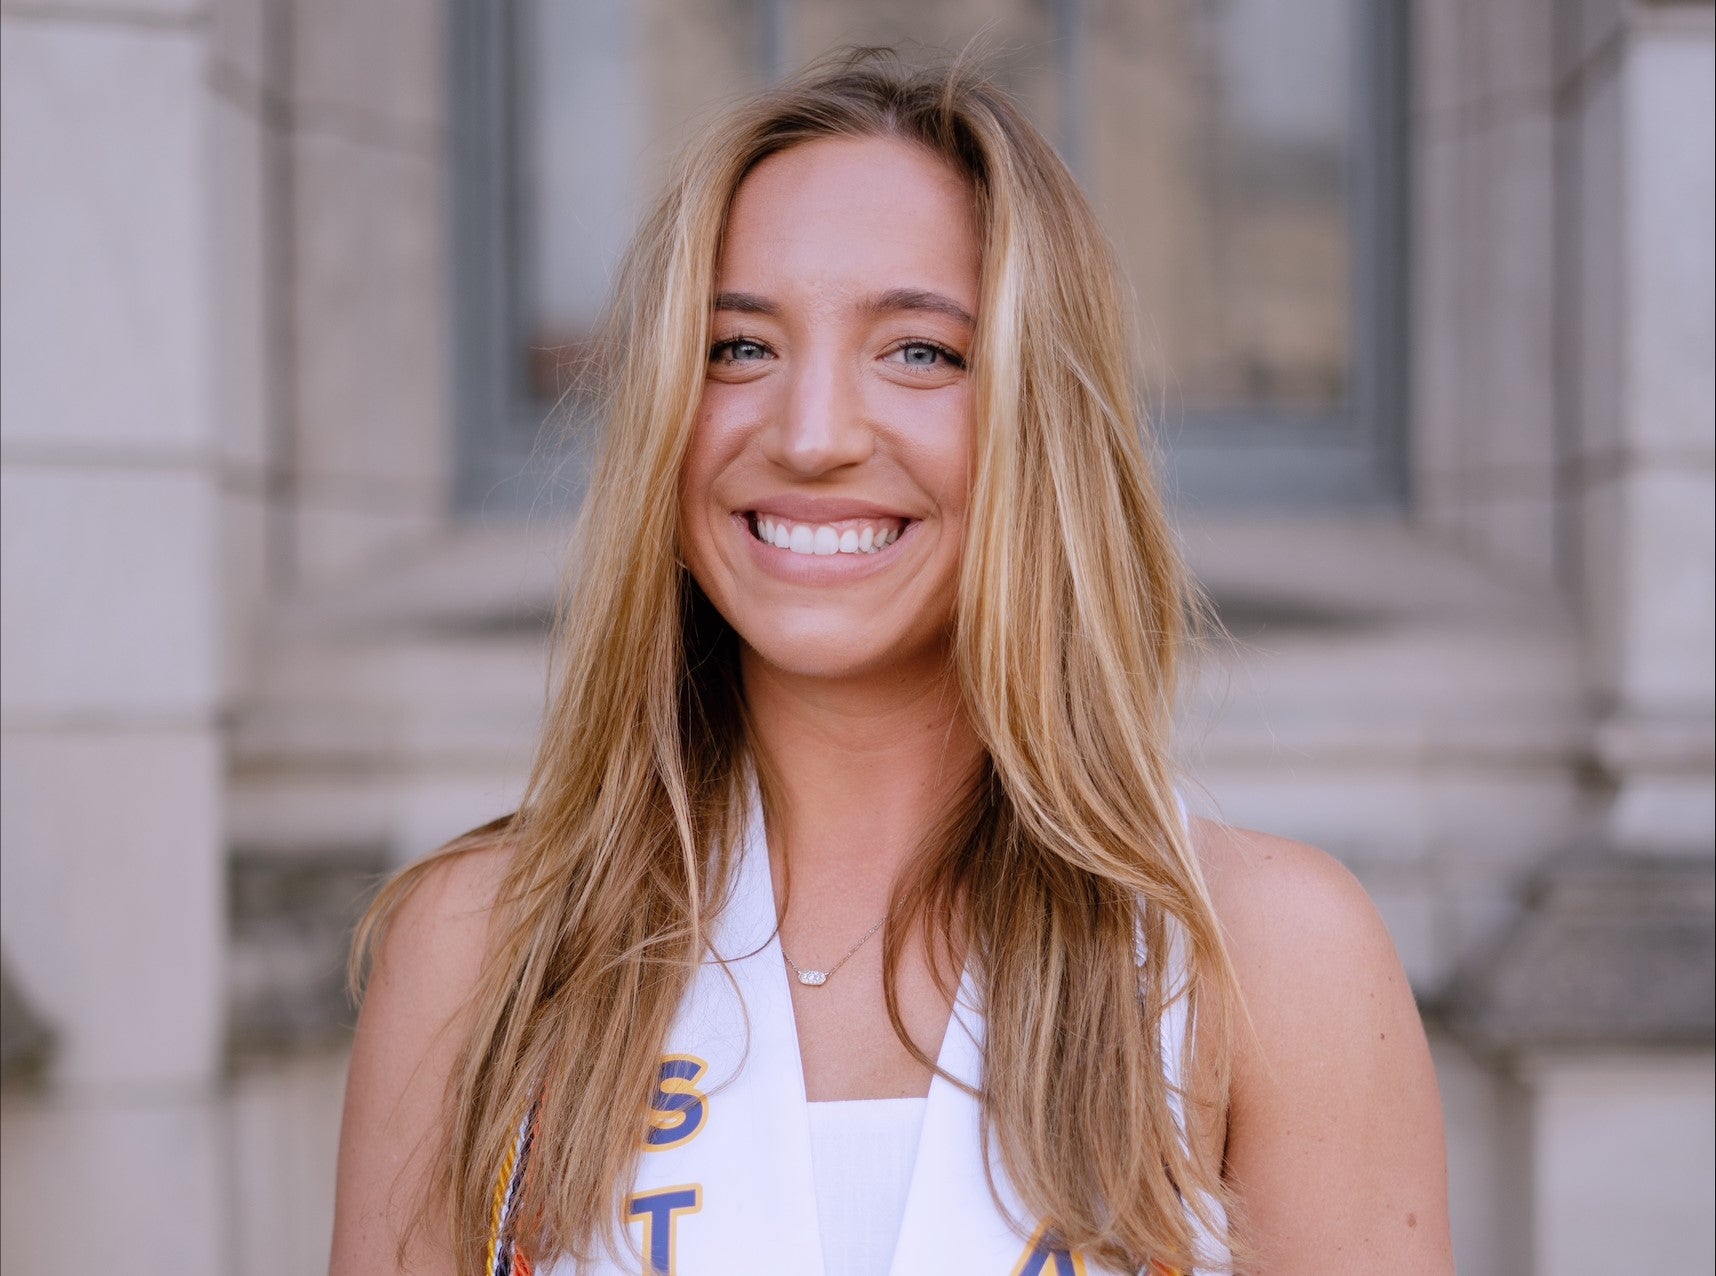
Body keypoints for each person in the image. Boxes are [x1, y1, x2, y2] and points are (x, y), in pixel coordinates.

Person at [329, 52, 1452, 1276]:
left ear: (1041, 415)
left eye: (919, 351)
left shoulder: (1266, 961)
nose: (811, 435)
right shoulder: (488, 947)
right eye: (738, 348)